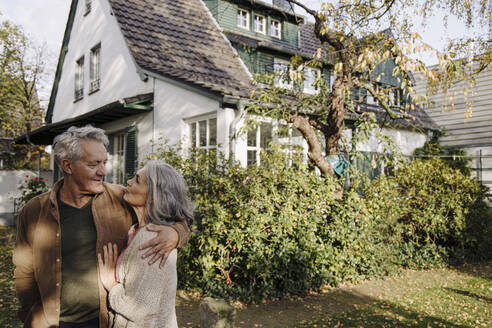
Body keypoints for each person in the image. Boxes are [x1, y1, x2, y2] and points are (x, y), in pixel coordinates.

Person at [13, 126, 190, 328]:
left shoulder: (122, 198)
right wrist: (30, 313)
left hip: (104, 321)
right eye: (94, 164)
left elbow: (167, 209)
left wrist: (176, 232)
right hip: (51, 322)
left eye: (104, 162)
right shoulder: (34, 210)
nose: (103, 172)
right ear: (68, 166)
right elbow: (24, 270)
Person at [98, 160, 193, 328]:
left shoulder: (152, 238)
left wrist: (111, 285)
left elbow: (139, 308)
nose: (128, 182)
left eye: (137, 180)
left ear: (152, 197)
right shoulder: (137, 231)